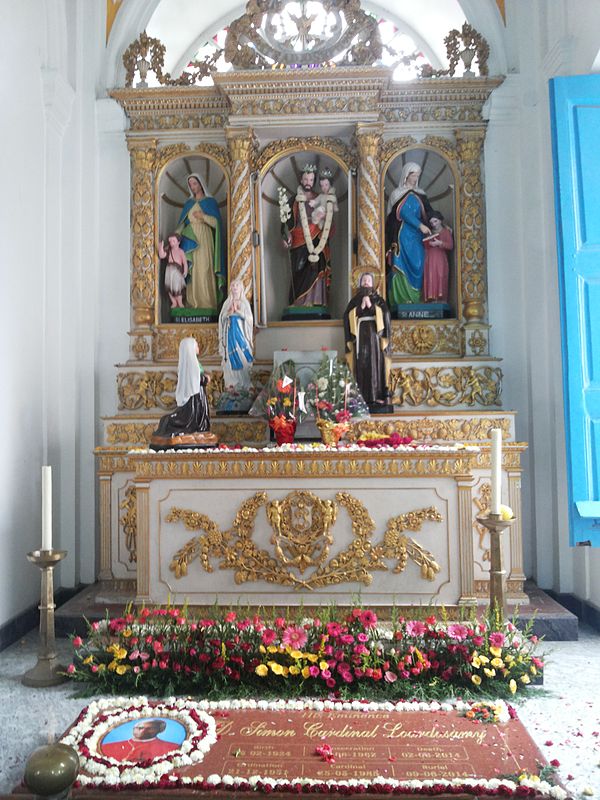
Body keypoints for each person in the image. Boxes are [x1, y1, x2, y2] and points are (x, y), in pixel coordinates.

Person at [282, 163, 332, 308]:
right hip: (298, 241)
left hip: (317, 240)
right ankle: (298, 302)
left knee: (316, 270)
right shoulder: (293, 201)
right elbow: (285, 223)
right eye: (305, 179)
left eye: (310, 180)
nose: (308, 183)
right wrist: (285, 237)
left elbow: (329, 223)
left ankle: (316, 302)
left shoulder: (320, 198)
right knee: (298, 271)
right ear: (301, 180)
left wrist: (323, 218)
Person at [343, 272, 392, 412]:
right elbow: (346, 316)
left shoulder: (379, 300)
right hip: (359, 336)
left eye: (368, 280)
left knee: (375, 365)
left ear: (373, 283)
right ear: (359, 283)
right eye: (363, 280)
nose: (366, 283)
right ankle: (360, 396)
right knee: (361, 364)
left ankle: (377, 394)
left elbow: (386, 315)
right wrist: (359, 308)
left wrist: (371, 306)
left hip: (374, 337)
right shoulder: (354, 300)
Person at [385, 162, 433, 305]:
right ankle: (400, 299)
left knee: (419, 263)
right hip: (402, 234)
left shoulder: (421, 194)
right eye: (413, 175)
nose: (416, 178)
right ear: (406, 175)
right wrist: (420, 225)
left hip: (417, 235)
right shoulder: (397, 194)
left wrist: (441, 226)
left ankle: (416, 298)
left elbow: (429, 213)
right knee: (399, 264)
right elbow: (402, 213)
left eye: (418, 175)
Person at [177, 173, 226, 312]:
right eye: (191, 184)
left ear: (201, 183)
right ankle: (192, 303)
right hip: (189, 239)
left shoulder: (210, 202)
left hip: (205, 237)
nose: (193, 187)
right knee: (192, 270)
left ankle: (208, 303)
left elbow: (217, 224)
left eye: (195, 183)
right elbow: (182, 224)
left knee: (205, 268)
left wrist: (203, 217)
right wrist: (175, 235)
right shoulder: (189, 204)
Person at [151, 337, 212, 440]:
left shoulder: (194, 362)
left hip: (199, 394)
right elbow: (196, 379)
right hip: (195, 397)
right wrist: (206, 378)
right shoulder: (191, 363)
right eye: (196, 345)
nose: (198, 347)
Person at [218, 279, 254, 390]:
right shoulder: (227, 303)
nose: (234, 287)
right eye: (232, 285)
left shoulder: (244, 303)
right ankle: (231, 383)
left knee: (242, 354)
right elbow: (221, 318)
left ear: (241, 288)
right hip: (229, 334)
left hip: (241, 334)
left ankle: (244, 383)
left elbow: (249, 319)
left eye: (237, 285)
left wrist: (237, 311)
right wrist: (229, 313)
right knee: (229, 357)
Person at [100, 719, 180, 762]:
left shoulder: (173, 748)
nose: (136, 729)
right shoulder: (108, 747)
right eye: (136, 727)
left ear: (155, 730)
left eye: (141, 728)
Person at [423, 211, 453, 304]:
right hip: (430, 258)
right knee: (430, 277)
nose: (434, 224)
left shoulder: (445, 232)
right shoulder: (429, 232)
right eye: (432, 223)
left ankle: (441, 299)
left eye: (435, 221)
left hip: (440, 259)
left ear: (440, 221)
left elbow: (450, 245)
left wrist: (440, 243)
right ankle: (431, 299)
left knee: (440, 276)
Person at [159, 233, 188, 308]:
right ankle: (174, 302)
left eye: (173, 241)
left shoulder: (181, 252)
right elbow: (162, 255)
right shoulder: (169, 251)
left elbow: (184, 262)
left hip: (177, 272)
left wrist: (185, 271)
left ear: (178, 242)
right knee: (169, 287)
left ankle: (180, 302)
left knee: (178, 287)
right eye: (170, 241)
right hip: (169, 272)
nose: (171, 243)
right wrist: (160, 247)